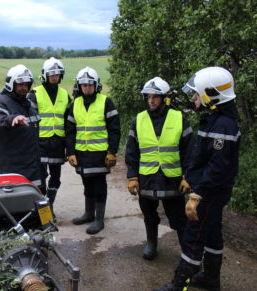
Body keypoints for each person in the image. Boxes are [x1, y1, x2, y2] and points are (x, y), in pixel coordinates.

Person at [154, 67, 240, 291]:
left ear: (211, 95)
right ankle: (211, 279)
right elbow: (202, 157)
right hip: (208, 189)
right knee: (211, 232)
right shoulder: (215, 119)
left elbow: (217, 168)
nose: (193, 97)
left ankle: (179, 284)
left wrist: (197, 194)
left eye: (197, 93)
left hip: (209, 192)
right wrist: (189, 177)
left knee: (194, 236)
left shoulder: (223, 125)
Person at [125, 77, 193, 260]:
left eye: (156, 97)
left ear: (165, 98)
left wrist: (188, 177)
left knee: (178, 218)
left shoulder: (179, 118)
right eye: (149, 97)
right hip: (146, 177)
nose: (151, 100)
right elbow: (131, 152)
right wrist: (132, 177)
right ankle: (152, 244)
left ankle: (188, 253)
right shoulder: (138, 120)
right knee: (149, 214)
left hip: (172, 179)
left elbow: (189, 152)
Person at [66, 67, 121, 235]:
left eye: (90, 85)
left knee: (99, 186)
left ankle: (99, 220)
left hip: (100, 154)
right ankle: (89, 214)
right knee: (87, 183)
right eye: (84, 85)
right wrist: (70, 152)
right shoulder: (74, 104)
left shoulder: (106, 102)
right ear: (79, 86)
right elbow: (70, 130)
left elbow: (114, 129)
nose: (87, 88)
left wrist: (112, 151)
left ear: (96, 86)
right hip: (82, 154)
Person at [28, 57, 71, 210]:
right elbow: (29, 120)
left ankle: (49, 205)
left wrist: (69, 145)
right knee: (40, 179)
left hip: (57, 143)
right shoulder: (35, 93)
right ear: (45, 75)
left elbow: (69, 121)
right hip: (39, 143)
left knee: (56, 178)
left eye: (57, 74)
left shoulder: (65, 94)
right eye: (52, 74)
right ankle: (42, 209)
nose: (54, 77)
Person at [0, 64, 42, 186]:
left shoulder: (27, 104)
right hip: (13, 170)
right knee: (16, 203)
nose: (24, 88)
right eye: (20, 84)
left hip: (33, 168)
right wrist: (11, 119)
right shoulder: (1, 103)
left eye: (27, 84)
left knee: (36, 202)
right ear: (11, 84)